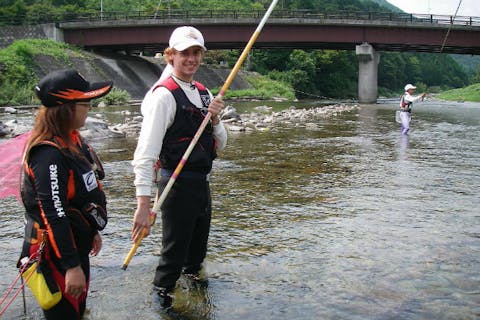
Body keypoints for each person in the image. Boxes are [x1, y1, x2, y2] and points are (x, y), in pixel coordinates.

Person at [131, 26, 227, 307]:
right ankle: (163, 306)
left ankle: (196, 303)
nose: (192, 59)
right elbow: (144, 154)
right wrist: (143, 204)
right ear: (170, 56)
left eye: (197, 53)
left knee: (195, 259)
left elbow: (220, 145)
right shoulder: (163, 96)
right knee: (172, 260)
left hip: (201, 184)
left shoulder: (204, 92)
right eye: (185, 53)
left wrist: (216, 120)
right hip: (175, 184)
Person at [18, 69, 112, 320]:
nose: (89, 107)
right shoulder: (47, 154)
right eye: (85, 103)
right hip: (56, 257)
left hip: (75, 246)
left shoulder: (73, 140)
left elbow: (81, 196)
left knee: (78, 311)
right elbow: (54, 213)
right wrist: (71, 266)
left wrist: (92, 232)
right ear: (66, 108)